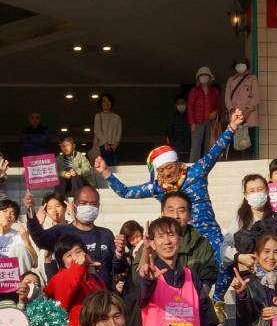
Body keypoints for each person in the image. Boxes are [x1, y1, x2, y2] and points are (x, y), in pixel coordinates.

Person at [97, 107, 245, 264]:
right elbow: (126, 192)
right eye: (161, 170)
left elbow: (215, 151)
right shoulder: (157, 188)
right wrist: (106, 173)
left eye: (169, 167)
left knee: (224, 269)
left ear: (177, 163)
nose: (166, 173)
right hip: (180, 246)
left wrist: (232, 127)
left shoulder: (197, 171)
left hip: (210, 238)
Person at [186, 66, 222, 162]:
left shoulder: (215, 91)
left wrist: (215, 112)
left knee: (209, 146)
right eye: (202, 75)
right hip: (197, 122)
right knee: (195, 146)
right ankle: (193, 166)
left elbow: (219, 107)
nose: (204, 77)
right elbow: (190, 107)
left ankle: (208, 164)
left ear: (210, 78)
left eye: (206, 75)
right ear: (198, 78)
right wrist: (192, 123)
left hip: (211, 122)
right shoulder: (194, 91)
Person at [93, 92, 122, 168]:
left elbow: (119, 132)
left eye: (108, 101)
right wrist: (105, 143)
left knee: (115, 168)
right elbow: (97, 130)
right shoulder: (98, 116)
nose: (106, 103)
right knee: (104, 168)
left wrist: (115, 144)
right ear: (100, 103)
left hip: (114, 147)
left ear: (111, 103)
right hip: (102, 147)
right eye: (103, 101)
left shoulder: (117, 117)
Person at [166, 93, 191, 159]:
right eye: (179, 103)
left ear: (186, 103)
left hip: (188, 149)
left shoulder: (190, 116)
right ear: (175, 105)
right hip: (176, 149)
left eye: (183, 103)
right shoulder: (172, 116)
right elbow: (169, 131)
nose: (181, 105)